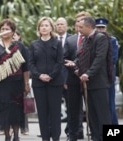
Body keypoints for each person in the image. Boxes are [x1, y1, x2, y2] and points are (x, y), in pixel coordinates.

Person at [65, 16, 112, 141]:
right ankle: (96, 137)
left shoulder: (100, 38)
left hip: (99, 83)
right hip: (87, 84)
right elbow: (80, 56)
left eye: (81, 27)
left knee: (103, 115)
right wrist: (74, 63)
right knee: (92, 116)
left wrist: (88, 73)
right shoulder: (86, 40)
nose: (78, 29)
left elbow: (99, 59)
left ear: (89, 27)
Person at [0, 18, 30, 141]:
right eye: (2, 29)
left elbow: (26, 67)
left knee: (16, 110)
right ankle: (7, 136)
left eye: (7, 29)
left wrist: (26, 83)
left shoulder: (19, 46)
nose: (4, 31)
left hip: (17, 83)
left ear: (13, 31)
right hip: (1, 84)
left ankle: (16, 136)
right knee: (4, 110)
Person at [29, 17, 64, 141]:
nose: (44, 27)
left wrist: (51, 75)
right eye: (42, 26)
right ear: (38, 28)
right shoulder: (34, 44)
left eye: (46, 25)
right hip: (39, 84)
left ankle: (55, 137)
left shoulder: (57, 43)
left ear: (51, 28)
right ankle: (45, 138)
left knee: (55, 112)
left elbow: (60, 62)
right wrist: (39, 75)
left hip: (55, 83)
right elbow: (31, 63)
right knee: (42, 113)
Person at [63, 11, 91, 141]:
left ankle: (94, 133)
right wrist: (74, 67)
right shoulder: (70, 40)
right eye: (77, 22)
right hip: (73, 79)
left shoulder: (94, 38)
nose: (79, 25)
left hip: (89, 79)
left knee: (92, 109)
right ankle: (73, 134)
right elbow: (64, 59)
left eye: (82, 22)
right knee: (73, 109)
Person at [95, 17, 119, 125]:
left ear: (106, 28)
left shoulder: (112, 40)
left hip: (108, 76)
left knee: (110, 104)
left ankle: (113, 129)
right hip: (95, 76)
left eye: (102, 28)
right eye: (98, 28)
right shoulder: (92, 40)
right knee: (98, 105)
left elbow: (113, 58)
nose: (100, 30)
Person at [55, 17, 72, 137]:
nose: (60, 26)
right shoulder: (50, 39)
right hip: (54, 79)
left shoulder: (72, 39)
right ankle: (53, 130)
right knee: (53, 106)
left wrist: (66, 79)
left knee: (71, 107)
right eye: (58, 24)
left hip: (69, 79)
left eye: (62, 24)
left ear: (66, 26)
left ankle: (70, 131)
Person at [13, 30, 29, 136]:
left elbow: (26, 67)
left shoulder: (23, 48)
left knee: (21, 106)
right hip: (7, 81)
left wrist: (26, 83)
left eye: (15, 35)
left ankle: (23, 127)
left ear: (19, 37)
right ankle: (9, 128)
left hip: (20, 80)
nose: (13, 37)